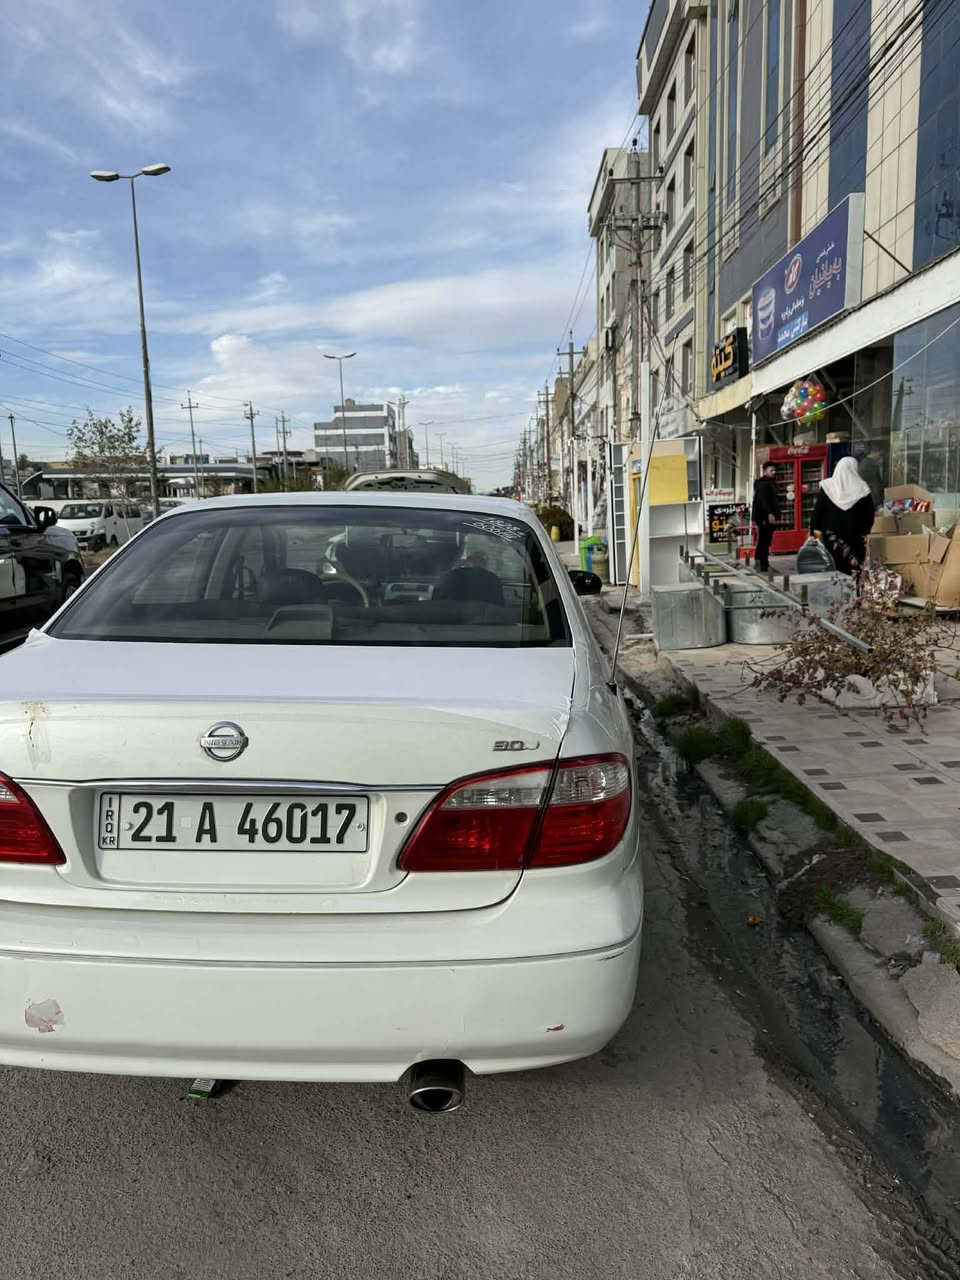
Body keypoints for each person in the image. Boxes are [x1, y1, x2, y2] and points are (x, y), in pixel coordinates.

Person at [810, 455, 876, 577]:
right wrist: (865, 532)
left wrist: (814, 537)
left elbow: (817, 514)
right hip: (855, 539)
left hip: (831, 538)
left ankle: (836, 593)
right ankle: (854, 593)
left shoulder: (827, 487)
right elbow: (869, 516)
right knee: (853, 568)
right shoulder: (862, 488)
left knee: (834, 567)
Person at [751, 462, 780, 571]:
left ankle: (759, 562)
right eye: (771, 470)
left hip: (762, 516)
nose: (774, 472)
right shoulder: (764, 483)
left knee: (763, 540)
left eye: (774, 470)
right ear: (765, 471)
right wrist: (769, 513)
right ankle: (764, 565)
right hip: (764, 516)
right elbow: (764, 501)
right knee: (765, 540)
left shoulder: (767, 482)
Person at [857, 445, 884, 509]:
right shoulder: (869, 464)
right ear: (874, 453)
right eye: (879, 454)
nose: (880, 457)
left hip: (869, 498)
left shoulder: (865, 462)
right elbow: (877, 483)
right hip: (872, 498)